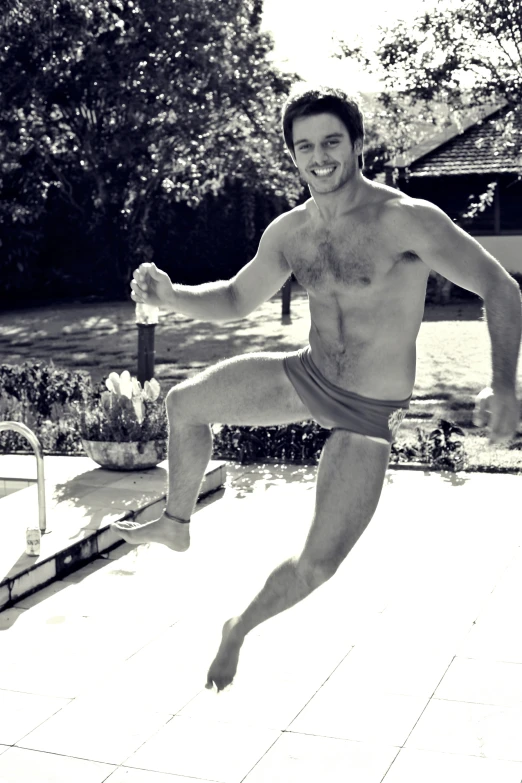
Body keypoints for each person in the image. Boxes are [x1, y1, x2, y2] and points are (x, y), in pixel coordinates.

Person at [112, 84, 521, 691]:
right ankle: (176, 521)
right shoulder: (290, 232)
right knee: (184, 403)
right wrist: (173, 297)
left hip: (367, 412)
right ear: (293, 156)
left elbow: (502, 288)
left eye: (332, 141)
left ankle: (238, 628)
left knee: (317, 563)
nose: (320, 156)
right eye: (305, 147)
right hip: (307, 375)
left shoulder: (404, 219)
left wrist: (503, 385)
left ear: (356, 143)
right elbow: (234, 297)